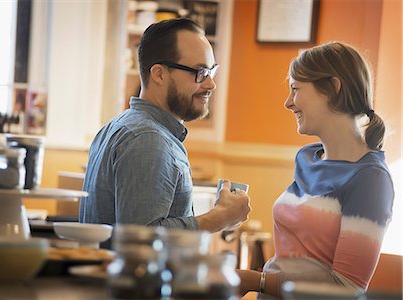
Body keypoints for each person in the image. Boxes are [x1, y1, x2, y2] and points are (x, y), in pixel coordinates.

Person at [237, 41, 394, 299]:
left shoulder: (370, 179)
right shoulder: (307, 157)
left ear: (333, 88)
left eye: (295, 89)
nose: (288, 102)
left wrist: (257, 280)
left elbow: (346, 289)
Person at [79, 18, 251, 245]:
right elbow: (139, 240)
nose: (211, 85)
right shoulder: (148, 139)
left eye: (211, 71)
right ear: (159, 74)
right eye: (199, 72)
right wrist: (218, 218)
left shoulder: (120, 126)